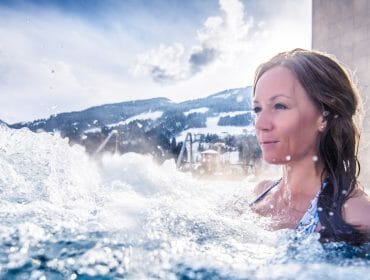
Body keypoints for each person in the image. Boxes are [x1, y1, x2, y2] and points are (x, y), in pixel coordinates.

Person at [250, 48, 370, 244]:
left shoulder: (356, 215)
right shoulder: (260, 193)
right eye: (257, 109)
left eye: (280, 106)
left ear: (324, 117)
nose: (261, 124)